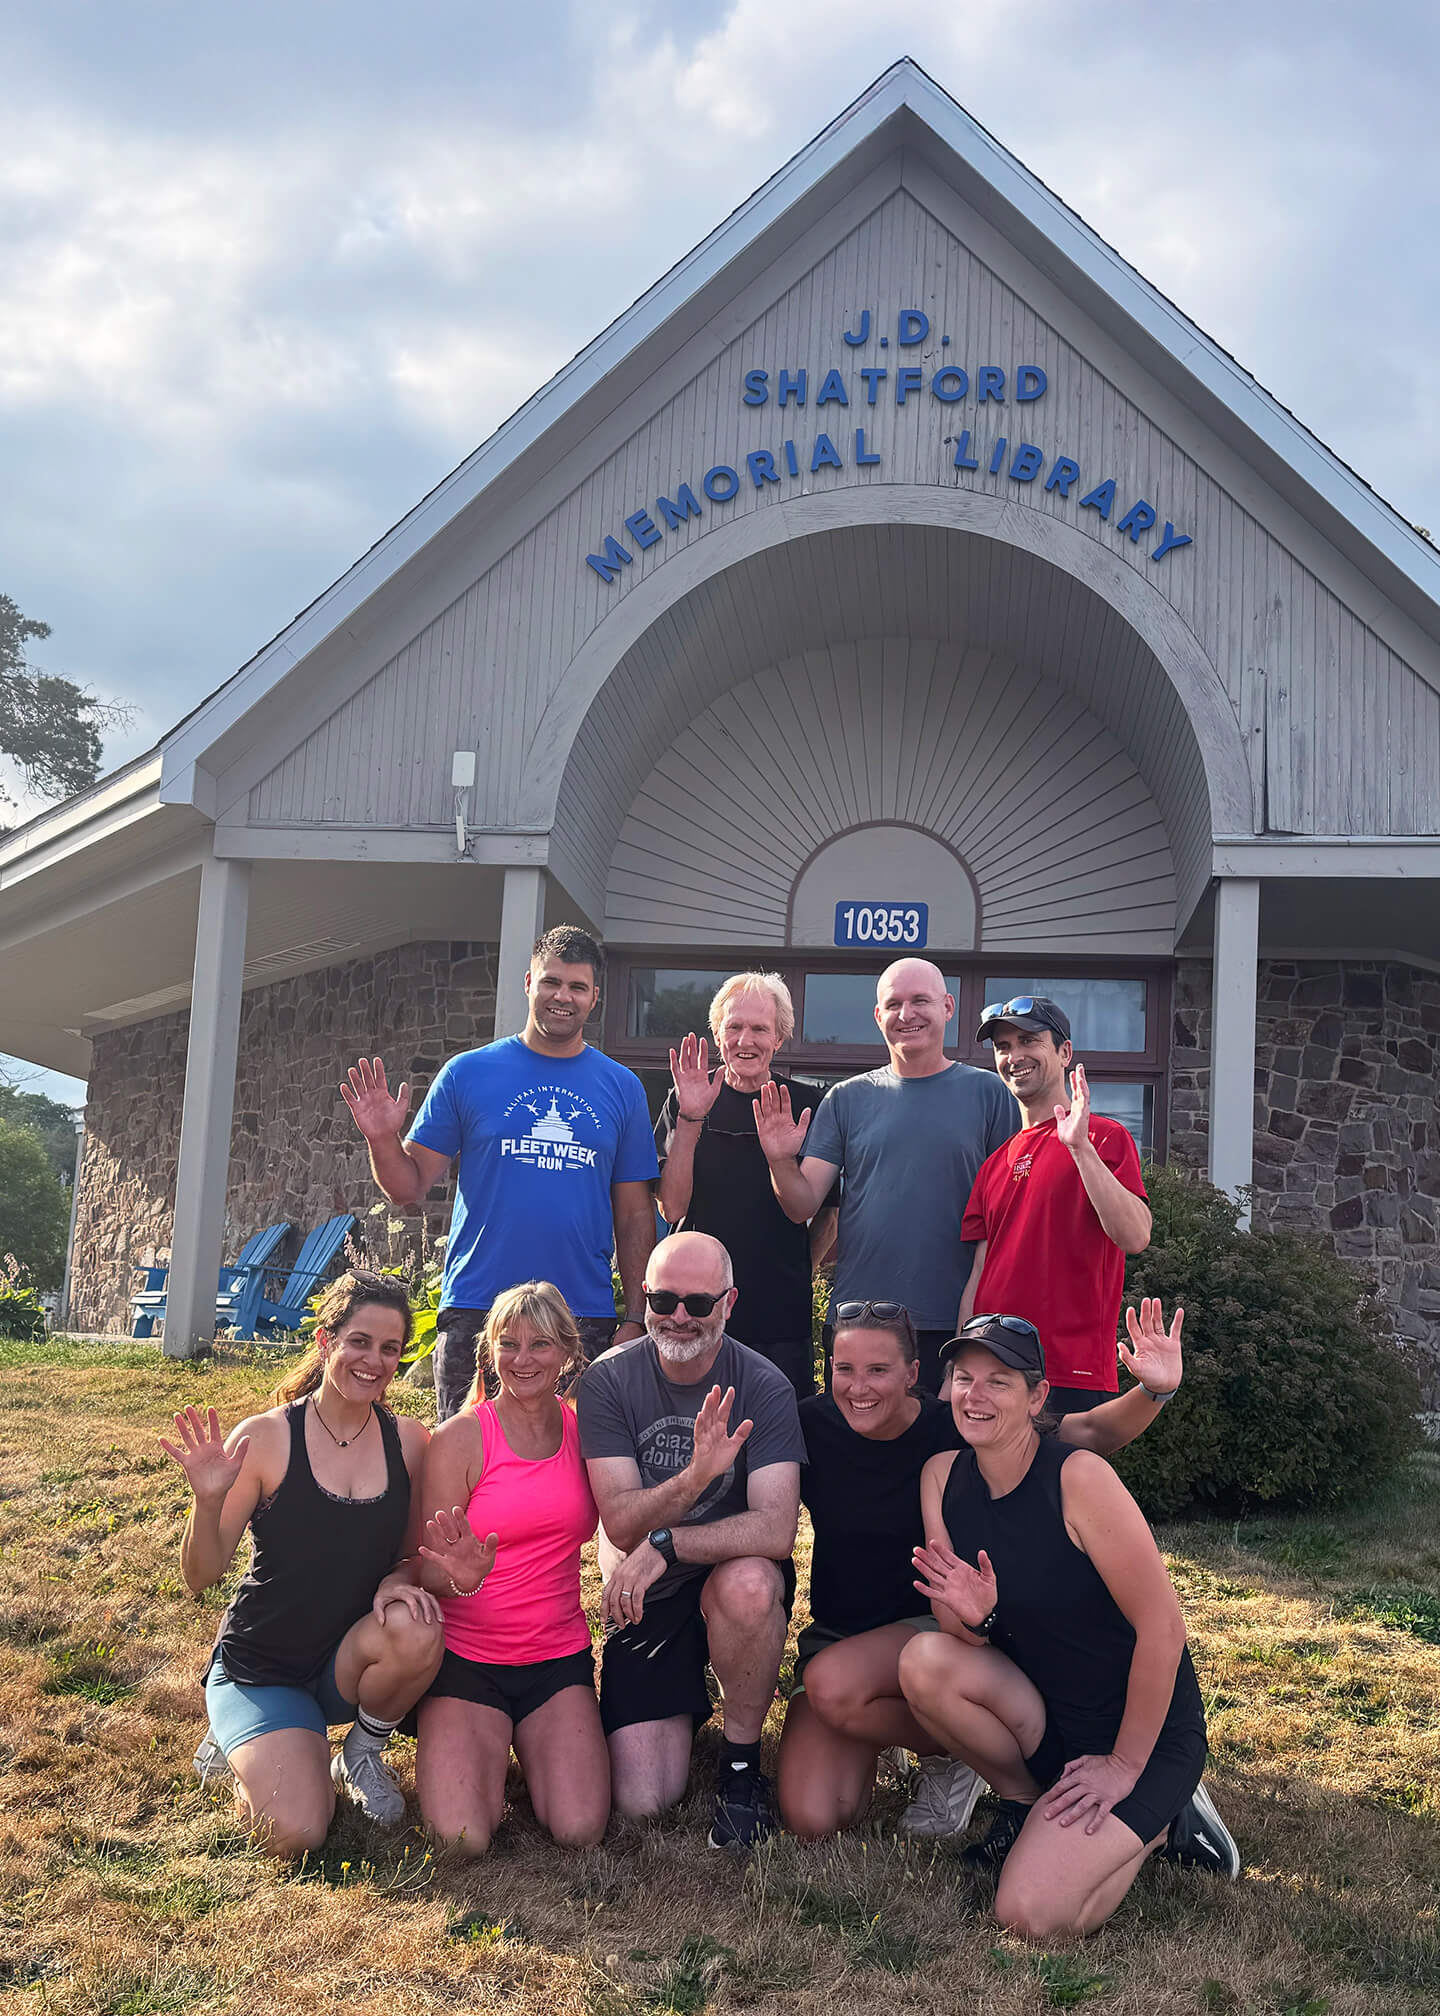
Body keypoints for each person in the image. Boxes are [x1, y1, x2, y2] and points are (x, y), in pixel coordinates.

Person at [778, 1296, 1186, 1842]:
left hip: (937, 1630)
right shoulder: (810, 1424)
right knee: (814, 1816)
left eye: (878, 1370)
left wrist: (1155, 1392)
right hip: (842, 1631)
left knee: (854, 1681)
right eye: (844, 1369)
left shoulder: (958, 1427)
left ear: (913, 1374)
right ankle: (922, 1733)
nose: (859, 1387)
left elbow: (1087, 1433)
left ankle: (958, 1751)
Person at [899, 1315, 1238, 1944]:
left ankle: (1168, 1820)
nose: (974, 1395)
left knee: (1029, 1915)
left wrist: (1124, 1765)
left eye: (999, 1381)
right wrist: (979, 1616)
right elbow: (961, 1632)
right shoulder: (941, 1477)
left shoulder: (1077, 1477)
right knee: (924, 1661)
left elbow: (1164, 1629)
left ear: (1037, 1397)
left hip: (1141, 1730)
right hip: (1050, 1716)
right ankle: (1029, 1801)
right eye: (964, 1378)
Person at [159, 1272, 478, 1858]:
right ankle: (240, 1742)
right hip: (264, 1668)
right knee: (299, 1833)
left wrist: (400, 1580)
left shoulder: (410, 1442)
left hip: (347, 1663)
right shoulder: (267, 1438)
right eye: (360, 1341)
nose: (374, 1361)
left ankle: (360, 1753)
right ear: (325, 1341)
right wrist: (207, 1502)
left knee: (417, 1625)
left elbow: (413, 1555)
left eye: (390, 1348)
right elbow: (200, 1575)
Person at [342, 923, 659, 1421]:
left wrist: (636, 1317)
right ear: (528, 983)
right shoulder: (467, 1073)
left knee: (573, 1459)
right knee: (465, 1454)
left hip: (581, 1314)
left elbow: (635, 1214)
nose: (563, 996)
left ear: (594, 997)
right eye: (551, 982)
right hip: (478, 1307)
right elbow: (407, 1187)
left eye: (577, 987)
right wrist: (382, 1139)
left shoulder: (622, 1088)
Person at [576, 1231, 804, 1850]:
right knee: (642, 1799)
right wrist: (695, 1478)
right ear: (644, 1296)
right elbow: (620, 1525)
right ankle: (689, 1690)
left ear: (729, 1303)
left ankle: (741, 1764)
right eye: (664, 1300)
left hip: (722, 1571)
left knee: (751, 1586)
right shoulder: (607, 1380)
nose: (679, 1317)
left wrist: (668, 1543)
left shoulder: (764, 1385)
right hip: (649, 1594)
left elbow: (776, 1529)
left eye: (699, 1304)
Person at [754, 957, 1017, 1393]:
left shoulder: (990, 1094)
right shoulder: (845, 1099)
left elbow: (1007, 1219)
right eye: (894, 1004)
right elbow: (801, 1205)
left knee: (945, 1440)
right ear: (878, 1015)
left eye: (920, 1001)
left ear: (948, 1007)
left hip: (954, 1323)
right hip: (860, 1321)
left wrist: (978, 1321)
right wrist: (780, 1161)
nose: (906, 1014)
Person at [413, 1281, 610, 1855]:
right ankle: (482, 1745)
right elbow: (425, 1570)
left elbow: (622, 1518)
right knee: (461, 1839)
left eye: (540, 1344)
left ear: (567, 1351)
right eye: (509, 1344)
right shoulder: (460, 1438)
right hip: (468, 1660)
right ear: (490, 1350)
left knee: (580, 1829)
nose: (523, 1359)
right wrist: (460, 1578)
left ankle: (529, 1747)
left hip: (556, 1659)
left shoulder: (585, 1432)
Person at [960, 995, 1151, 1413]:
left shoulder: (1103, 1138)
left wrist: (1080, 1148)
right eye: (1003, 1046)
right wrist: (960, 1368)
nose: (1014, 1056)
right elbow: (979, 1273)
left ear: (1065, 1052)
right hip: (994, 1372)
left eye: (1029, 1041)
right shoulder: (994, 1165)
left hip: (1070, 1374)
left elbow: (1136, 1236)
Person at [656, 972, 837, 1396]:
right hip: (695, 1310)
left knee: (776, 1426)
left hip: (779, 1318)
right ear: (717, 1034)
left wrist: (795, 1271)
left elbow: (825, 1216)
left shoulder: (806, 1106)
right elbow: (672, 1208)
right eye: (734, 1026)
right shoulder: (687, 1097)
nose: (745, 1040)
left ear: (780, 1038)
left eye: (759, 1028)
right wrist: (690, 1118)